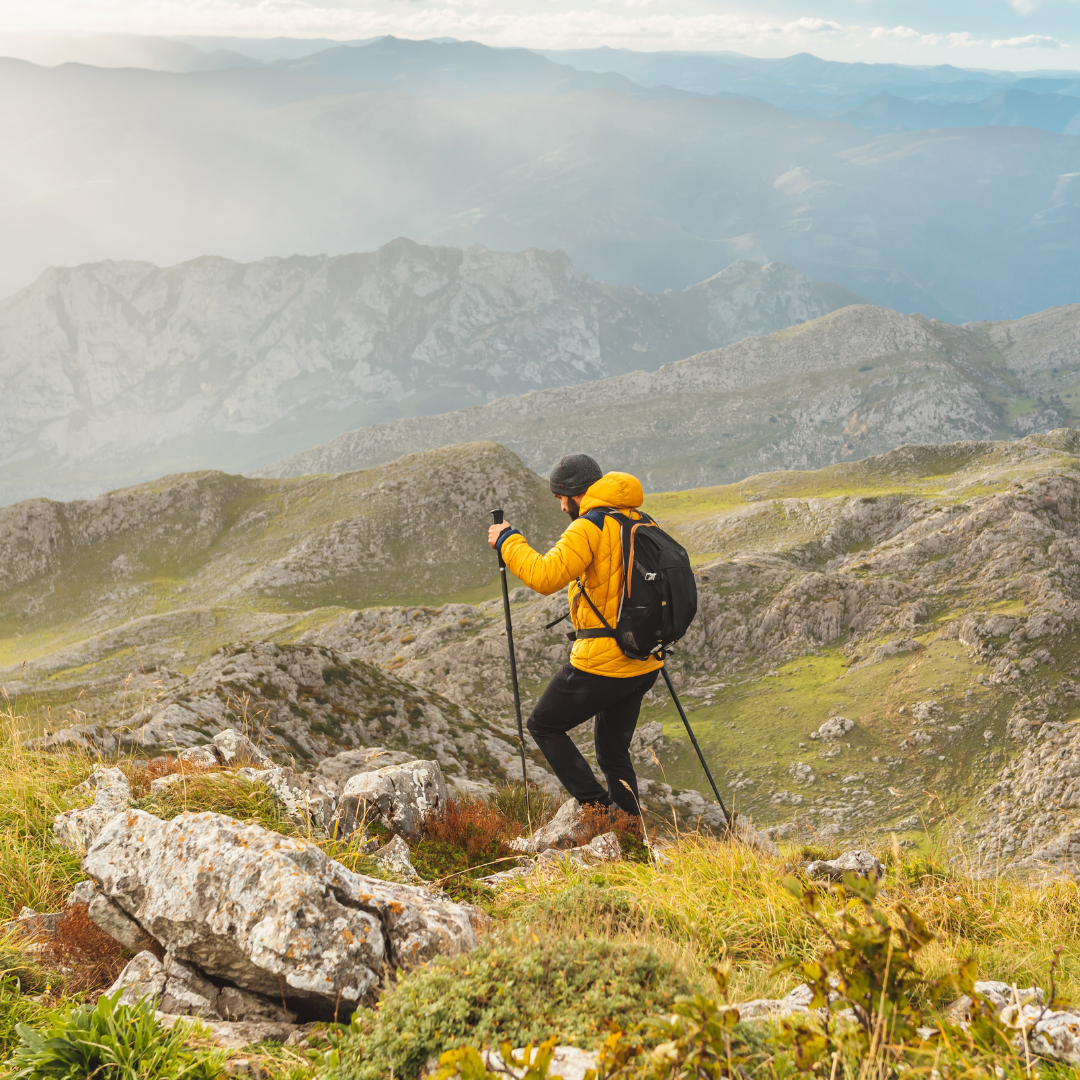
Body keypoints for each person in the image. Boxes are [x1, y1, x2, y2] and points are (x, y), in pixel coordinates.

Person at [487, 453, 661, 817]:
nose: (559, 505)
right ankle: (631, 835)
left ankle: (601, 813)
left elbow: (545, 576)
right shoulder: (638, 519)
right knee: (613, 751)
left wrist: (508, 540)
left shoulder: (588, 526)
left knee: (543, 725)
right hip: (643, 659)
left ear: (572, 495)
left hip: (606, 660)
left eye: (559, 498)